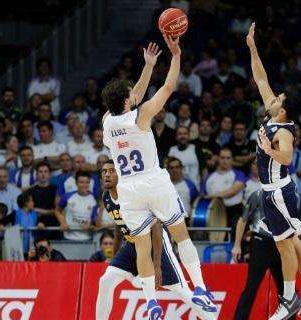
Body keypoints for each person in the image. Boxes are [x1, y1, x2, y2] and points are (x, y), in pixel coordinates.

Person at [101, 37, 216, 319]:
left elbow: (132, 96)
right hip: (153, 181)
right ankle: (199, 287)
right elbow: (169, 87)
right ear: (128, 100)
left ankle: (151, 303)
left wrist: (148, 66)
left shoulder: (107, 121)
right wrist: (175, 55)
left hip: (128, 189)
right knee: (180, 235)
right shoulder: (141, 117)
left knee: (141, 247)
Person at [246, 23, 301, 319]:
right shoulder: (274, 114)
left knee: (284, 246)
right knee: (291, 240)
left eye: (278, 98)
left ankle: (290, 298)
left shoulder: (285, 131)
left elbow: (288, 157)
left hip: (279, 191)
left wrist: (269, 151)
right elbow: (261, 77)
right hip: (273, 192)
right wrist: (253, 48)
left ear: (283, 108)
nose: (273, 97)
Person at [96, 160, 215, 320]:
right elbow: (118, 227)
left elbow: (156, 228)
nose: (107, 175)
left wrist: (157, 265)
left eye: (112, 171)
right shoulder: (106, 197)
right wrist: (114, 256)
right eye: (104, 172)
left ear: (121, 175)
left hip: (156, 244)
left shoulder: (133, 195)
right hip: (132, 245)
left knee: (182, 291)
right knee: (106, 281)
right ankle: (137, 279)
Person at [232, 190, 284, 320]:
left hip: (282, 243)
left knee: (286, 288)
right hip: (261, 242)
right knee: (252, 286)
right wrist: (237, 245)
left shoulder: (288, 194)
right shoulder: (257, 194)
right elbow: (243, 219)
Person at [202, 148, 245, 235]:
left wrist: (213, 196)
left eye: (228, 158)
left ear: (232, 159)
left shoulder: (239, 174)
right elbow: (203, 195)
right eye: (222, 158)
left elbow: (232, 192)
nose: (225, 160)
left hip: (234, 212)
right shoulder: (209, 177)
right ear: (218, 158)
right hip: (214, 213)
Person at [55, 171, 98, 241]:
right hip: (68, 237)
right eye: (81, 182)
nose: (84, 185)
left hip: (87, 238)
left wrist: (90, 226)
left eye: (87, 182)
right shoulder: (67, 196)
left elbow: (95, 221)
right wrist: (63, 223)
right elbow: (57, 211)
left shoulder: (94, 200)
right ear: (76, 183)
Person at [0, 191, 42, 255]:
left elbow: (40, 222)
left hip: (32, 244)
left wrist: (41, 224)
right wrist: (1, 226)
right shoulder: (15, 213)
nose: (33, 203)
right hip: (18, 245)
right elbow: (2, 221)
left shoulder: (35, 214)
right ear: (26, 203)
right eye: (32, 201)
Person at [30, 162, 60, 239]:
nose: (43, 174)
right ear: (36, 174)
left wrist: (40, 210)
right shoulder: (31, 191)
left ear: (50, 174)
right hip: (36, 223)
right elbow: (29, 209)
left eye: (45, 171)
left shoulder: (56, 189)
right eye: (40, 172)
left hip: (53, 224)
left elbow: (57, 210)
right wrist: (48, 211)